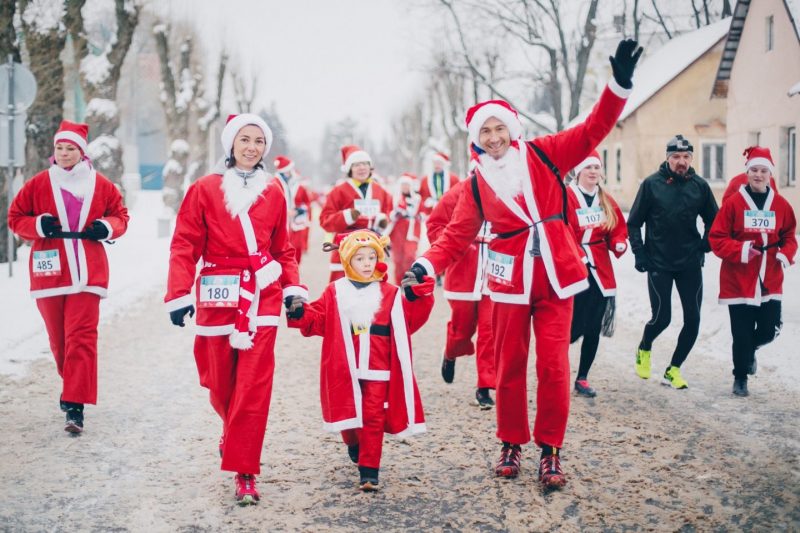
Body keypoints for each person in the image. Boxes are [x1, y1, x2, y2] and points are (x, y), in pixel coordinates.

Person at [405, 39, 642, 488]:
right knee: (510, 367)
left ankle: (550, 451)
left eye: (499, 129)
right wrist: (425, 266)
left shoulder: (545, 154)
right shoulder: (477, 183)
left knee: (553, 368)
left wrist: (619, 85)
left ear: (512, 129)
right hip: (509, 282)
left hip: (557, 279)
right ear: (477, 140)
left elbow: (593, 130)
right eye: (484, 134)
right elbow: (455, 235)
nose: (493, 139)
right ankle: (510, 444)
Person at [164, 113, 306, 506]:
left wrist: (293, 289)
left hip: (262, 296)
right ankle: (231, 430)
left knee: (254, 388)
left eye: (259, 141)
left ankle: (245, 470)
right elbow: (184, 244)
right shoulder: (204, 189)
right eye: (244, 139)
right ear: (230, 144)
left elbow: (283, 250)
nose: (251, 147)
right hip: (216, 294)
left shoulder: (275, 191)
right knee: (219, 382)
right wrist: (178, 293)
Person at [285, 230, 434, 491]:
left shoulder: (390, 292)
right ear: (347, 262)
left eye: (371, 257)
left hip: (379, 368)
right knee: (348, 413)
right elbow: (318, 320)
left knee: (373, 417)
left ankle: (369, 471)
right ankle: (353, 442)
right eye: (359, 258)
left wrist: (415, 296)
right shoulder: (335, 291)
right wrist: (300, 312)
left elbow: (411, 321)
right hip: (345, 366)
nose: (366, 263)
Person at [8, 120, 129, 434]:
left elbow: (120, 216)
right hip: (49, 270)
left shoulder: (101, 185)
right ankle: (73, 385)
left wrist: (106, 227)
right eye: (59, 148)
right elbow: (15, 217)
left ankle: (75, 406)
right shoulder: (38, 183)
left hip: (89, 272)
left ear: (81, 152)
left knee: (81, 338)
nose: (63, 153)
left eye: (70, 148)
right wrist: (37, 226)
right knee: (59, 342)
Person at [627, 134, 719, 390]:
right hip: (659, 261)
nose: (681, 161)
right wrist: (640, 253)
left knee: (693, 319)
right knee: (662, 317)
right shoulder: (651, 185)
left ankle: (673, 369)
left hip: (689, 262)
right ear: (667, 158)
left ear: (691, 158)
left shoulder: (699, 186)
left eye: (686, 156)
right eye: (676, 157)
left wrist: (705, 244)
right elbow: (634, 222)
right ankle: (645, 347)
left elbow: (715, 219)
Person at [709, 147, 796, 397]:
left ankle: (748, 351)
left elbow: (789, 235)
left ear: (770, 175)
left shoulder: (781, 205)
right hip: (738, 277)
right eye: (754, 170)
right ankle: (740, 377)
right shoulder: (734, 203)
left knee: (770, 329)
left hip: (770, 277)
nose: (758, 175)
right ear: (747, 173)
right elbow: (717, 238)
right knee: (741, 331)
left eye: (763, 171)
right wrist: (742, 249)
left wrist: (785, 253)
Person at [426, 177, 496, 408]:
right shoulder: (461, 190)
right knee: (462, 329)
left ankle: (485, 386)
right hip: (464, 273)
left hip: (495, 273)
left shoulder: (510, 188)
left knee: (490, 330)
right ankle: (450, 353)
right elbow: (435, 224)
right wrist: (458, 246)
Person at [565, 151, 628, 398]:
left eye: (596, 167)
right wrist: (576, 253)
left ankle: (582, 377)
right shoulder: (568, 197)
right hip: (574, 268)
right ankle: (555, 372)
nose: (593, 172)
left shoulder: (606, 200)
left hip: (601, 270)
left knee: (593, 327)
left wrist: (619, 242)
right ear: (579, 171)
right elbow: (562, 228)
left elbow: (617, 228)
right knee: (572, 327)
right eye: (588, 167)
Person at [319, 145, 393, 281]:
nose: (362, 168)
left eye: (365, 163)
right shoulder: (339, 191)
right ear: (349, 169)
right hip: (346, 247)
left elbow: (390, 213)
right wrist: (346, 216)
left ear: (370, 167)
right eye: (356, 164)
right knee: (342, 294)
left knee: (374, 294)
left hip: (372, 249)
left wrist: (383, 220)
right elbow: (325, 220)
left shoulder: (380, 190)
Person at [273, 155, 313, 265]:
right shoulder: (278, 183)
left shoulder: (299, 187)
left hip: (297, 223)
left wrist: (298, 210)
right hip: (284, 223)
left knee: (296, 249)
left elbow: (308, 203)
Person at [388, 173, 423, 285]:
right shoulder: (395, 198)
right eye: (403, 185)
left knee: (409, 256)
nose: (405, 187)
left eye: (407, 185)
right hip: (397, 231)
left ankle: (409, 281)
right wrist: (396, 213)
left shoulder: (417, 199)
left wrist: (418, 216)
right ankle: (399, 282)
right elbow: (389, 213)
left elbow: (423, 213)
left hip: (412, 231)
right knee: (398, 258)